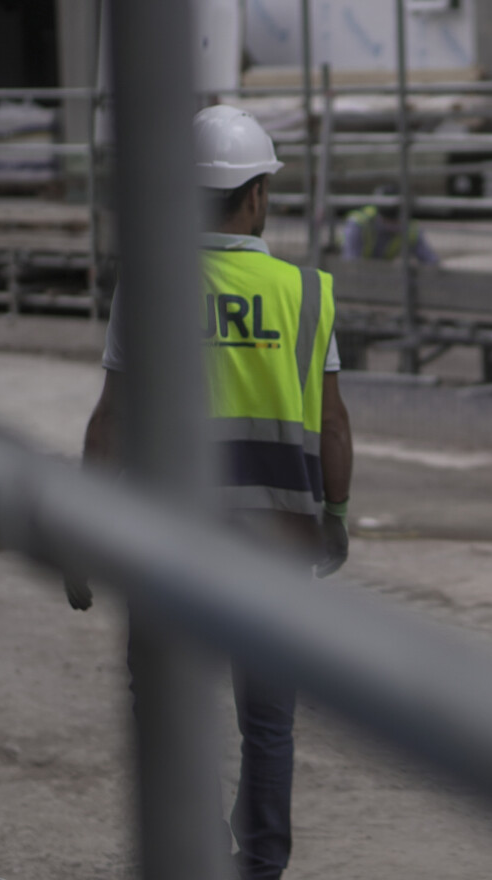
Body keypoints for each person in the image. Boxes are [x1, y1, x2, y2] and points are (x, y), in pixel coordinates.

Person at [72, 104, 354, 880]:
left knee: (169, 710)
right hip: (278, 540)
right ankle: (261, 866)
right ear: (256, 196)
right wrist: (333, 515)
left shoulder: (152, 285)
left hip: (170, 540)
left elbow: (111, 423)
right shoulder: (306, 292)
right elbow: (333, 425)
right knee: (268, 722)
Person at [341, 187, 440, 264]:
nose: (396, 226)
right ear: (380, 215)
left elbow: (430, 261)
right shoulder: (359, 224)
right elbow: (351, 263)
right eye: (391, 220)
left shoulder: (410, 229)